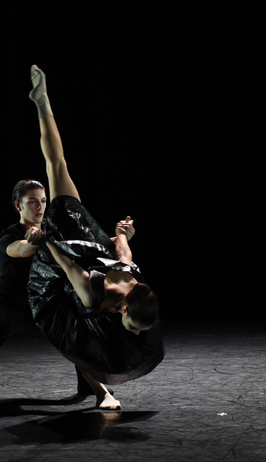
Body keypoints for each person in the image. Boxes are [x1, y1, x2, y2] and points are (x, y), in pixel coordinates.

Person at [27, 65, 164, 410]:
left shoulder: (134, 282)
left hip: (89, 238)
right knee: (56, 165)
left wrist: (122, 234)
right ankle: (42, 103)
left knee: (59, 165)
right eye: (132, 326)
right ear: (125, 306)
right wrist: (45, 241)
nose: (134, 332)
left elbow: (124, 256)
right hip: (68, 240)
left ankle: (42, 103)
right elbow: (68, 264)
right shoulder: (95, 295)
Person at [0, 179, 117, 414]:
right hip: (9, 305)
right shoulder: (9, 235)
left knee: (77, 326)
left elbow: (90, 246)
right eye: (32, 202)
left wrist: (121, 238)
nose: (40, 207)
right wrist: (32, 243)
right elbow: (19, 249)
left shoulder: (54, 230)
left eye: (43, 201)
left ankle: (98, 391)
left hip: (45, 304)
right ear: (18, 206)